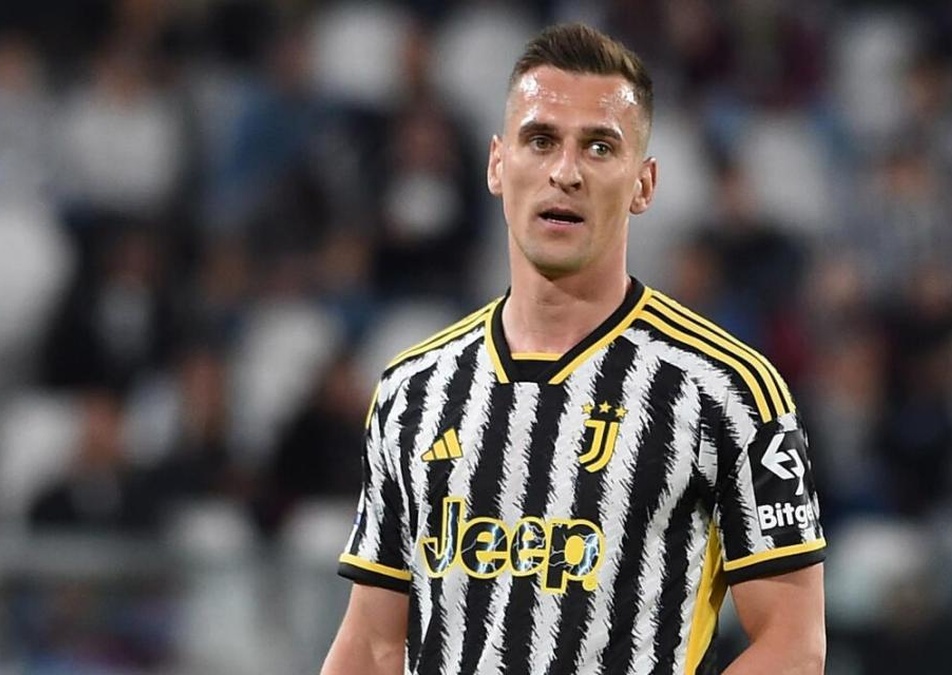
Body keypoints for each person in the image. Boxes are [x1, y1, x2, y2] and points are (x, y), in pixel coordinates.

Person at [321, 23, 826, 675]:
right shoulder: (411, 390)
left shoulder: (727, 390)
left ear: (643, 183)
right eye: (541, 141)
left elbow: (793, 644)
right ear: (497, 164)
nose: (565, 172)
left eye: (599, 147)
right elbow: (372, 642)